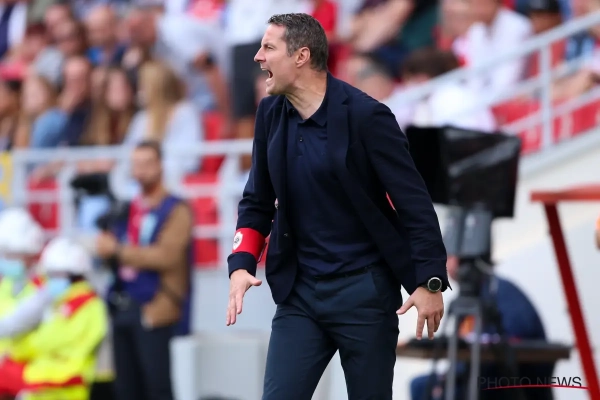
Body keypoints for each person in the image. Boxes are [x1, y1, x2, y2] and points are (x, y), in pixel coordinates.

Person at [226, 13, 449, 400]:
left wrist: (429, 279)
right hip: (300, 294)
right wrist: (241, 263)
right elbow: (257, 199)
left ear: (301, 56)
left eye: (268, 47)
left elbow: (414, 202)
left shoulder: (367, 116)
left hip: (364, 293)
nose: (258, 57)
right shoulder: (270, 113)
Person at [96, 141, 194, 400]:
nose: (140, 171)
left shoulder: (176, 208)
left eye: (147, 164)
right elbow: (113, 251)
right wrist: (105, 249)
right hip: (122, 304)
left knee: (157, 386)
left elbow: (167, 256)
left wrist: (117, 250)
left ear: (160, 165)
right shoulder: (128, 208)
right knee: (126, 389)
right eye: (136, 164)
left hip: (155, 306)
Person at [410, 254, 553, 400]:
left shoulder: (499, 290)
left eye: (447, 256)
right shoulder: (470, 297)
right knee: (420, 385)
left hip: (503, 378)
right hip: (475, 374)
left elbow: (517, 333)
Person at [0, 236, 108, 400]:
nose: (49, 279)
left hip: (63, 383)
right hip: (42, 379)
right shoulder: (58, 299)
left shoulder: (84, 303)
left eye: (55, 274)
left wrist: (17, 349)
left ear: (72, 275)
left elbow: (50, 340)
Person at [0, 208, 46, 354]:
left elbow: (15, 323)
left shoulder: (43, 287)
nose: (6, 260)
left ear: (30, 254)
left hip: (26, 362)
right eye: (4, 255)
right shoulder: (7, 283)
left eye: (12, 255)